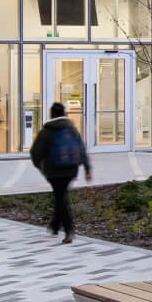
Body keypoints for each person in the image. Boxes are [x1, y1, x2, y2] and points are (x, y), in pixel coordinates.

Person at [28, 102, 96, 242]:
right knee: (61, 196)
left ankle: (69, 230)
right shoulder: (71, 129)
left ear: (51, 114)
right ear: (64, 114)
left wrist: (40, 167)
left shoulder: (47, 130)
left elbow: (35, 152)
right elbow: (81, 149)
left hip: (54, 171)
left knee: (60, 199)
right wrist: (87, 169)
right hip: (71, 169)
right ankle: (54, 226)